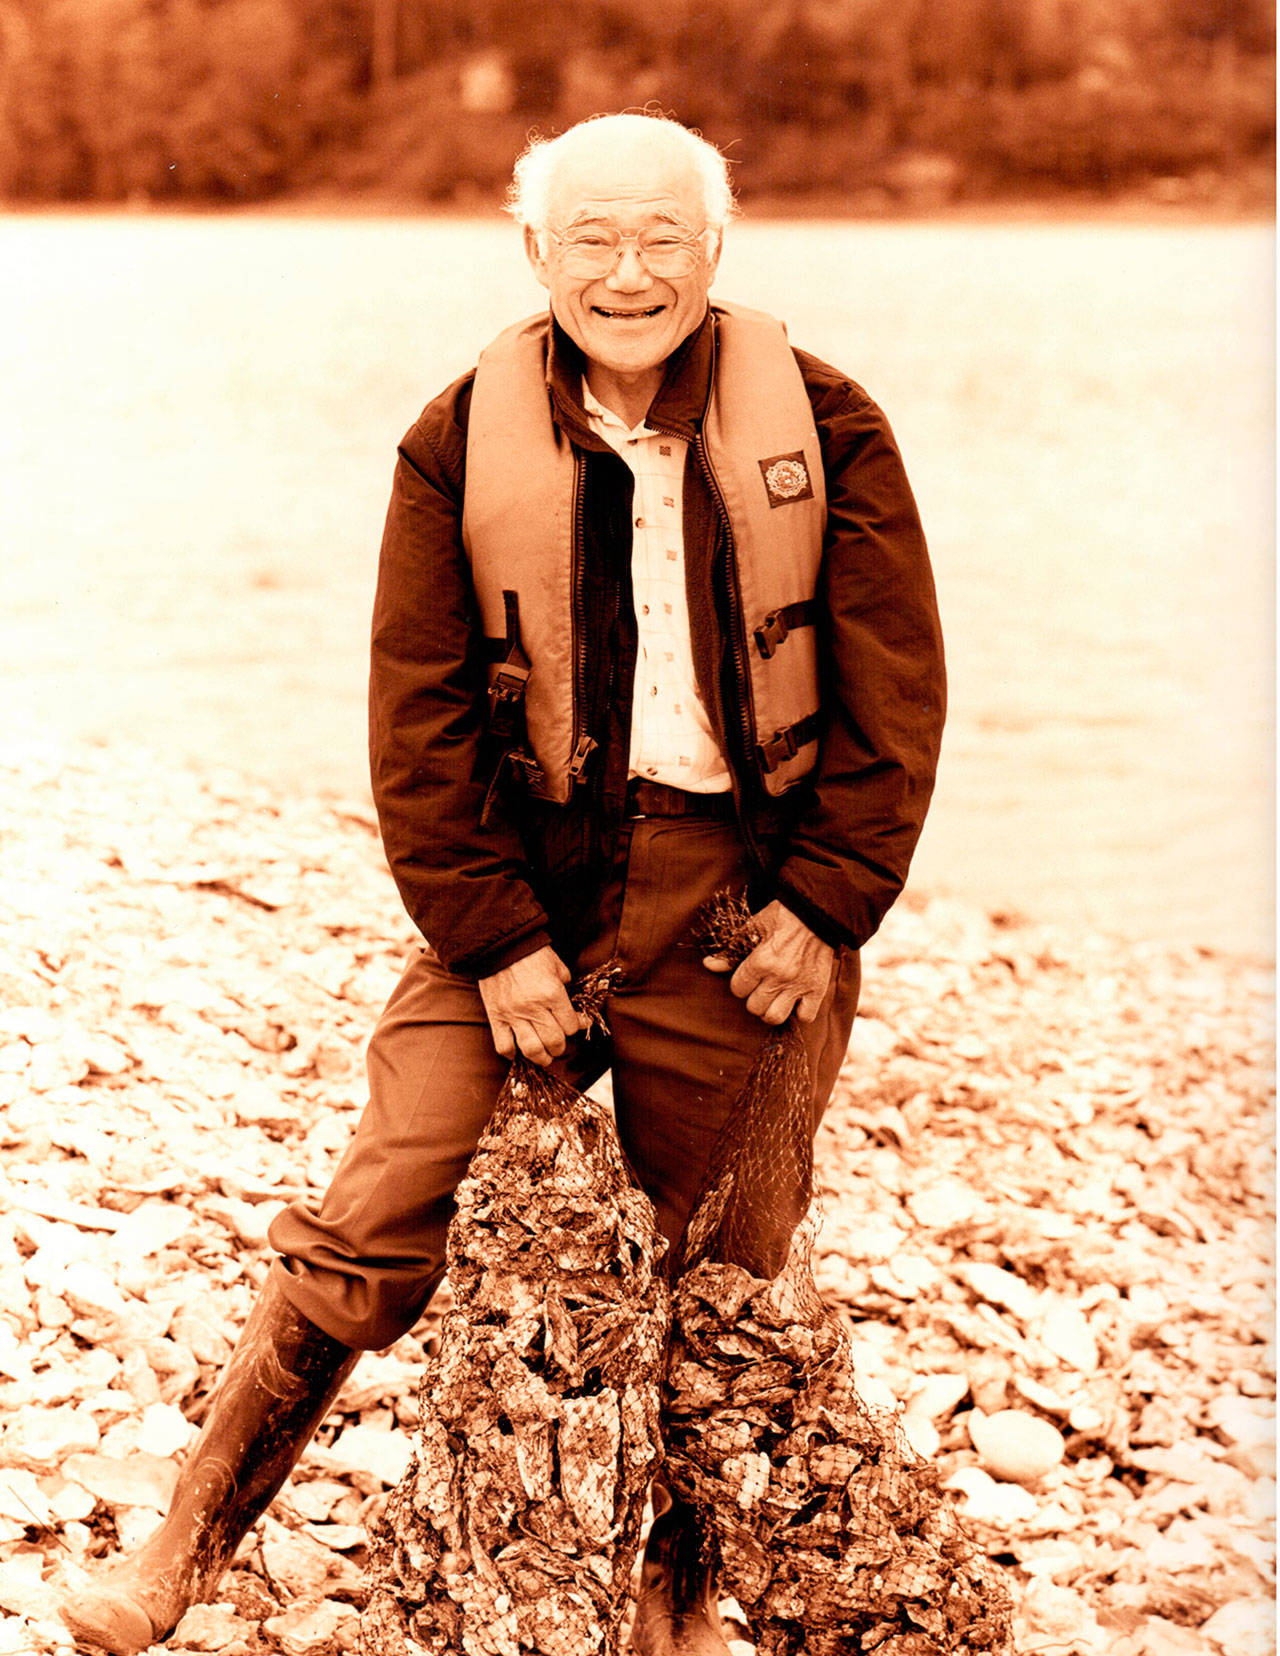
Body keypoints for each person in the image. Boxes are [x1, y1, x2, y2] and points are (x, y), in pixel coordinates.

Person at [61, 111, 945, 1656]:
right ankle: (182, 1549)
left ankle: (665, 1607)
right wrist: (492, 940)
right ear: (533, 252)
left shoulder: (834, 424)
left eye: (663, 237)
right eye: (591, 239)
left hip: (750, 911)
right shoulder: (456, 438)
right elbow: (417, 727)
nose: (628, 271)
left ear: (715, 250)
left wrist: (827, 910)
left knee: (717, 1275)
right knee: (377, 1209)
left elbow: (896, 698)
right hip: (530, 892)